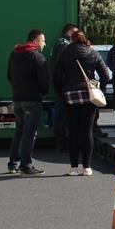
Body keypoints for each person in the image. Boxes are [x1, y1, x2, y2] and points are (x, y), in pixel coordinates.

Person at [53, 30, 111, 176]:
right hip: (88, 95)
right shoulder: (92, 52)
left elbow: (57, 76)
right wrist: (99, 88)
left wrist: (62, 92)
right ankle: (87, 167)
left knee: (73, 130)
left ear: (72, 39)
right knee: (87, 130)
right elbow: (106, 75)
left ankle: (73, 167)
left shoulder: (66, 52)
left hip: (71, 95)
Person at [6, 29, 49, 176]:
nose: (44, 43)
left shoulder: (14, 53)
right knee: (29, 134)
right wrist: (42, 92)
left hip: (17, 98)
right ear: (36, 41)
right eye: (43, 40)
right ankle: (26, 165)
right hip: (32, 99)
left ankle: (13, 164)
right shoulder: (37, 57)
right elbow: (44, 82)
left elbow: (9, 75)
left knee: (19, 131)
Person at [50, 23, 78, 151]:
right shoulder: (64, 45)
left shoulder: (59, 44)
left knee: (61, 115)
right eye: (75, 33)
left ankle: (61, 142)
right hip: (64, 85)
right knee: (63, 115)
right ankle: (62, 143)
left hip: (59, 83)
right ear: (70, 32)